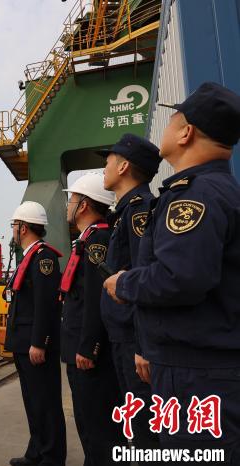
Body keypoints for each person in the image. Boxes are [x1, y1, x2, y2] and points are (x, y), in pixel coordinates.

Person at [104, 82, 240, 456]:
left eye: (171, 119)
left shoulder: (195, 195)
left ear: (185, 132)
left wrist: (125, 283)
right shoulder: (213, 189)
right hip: (197, 368)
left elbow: (181, 278)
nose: (164, 128)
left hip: (196, 375)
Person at [98, 133, 161, 453]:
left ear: (123, 167)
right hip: (123, 337)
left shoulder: (138, 213)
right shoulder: (125, 212)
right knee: (137, 429)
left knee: (147, 431)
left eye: (107, 162)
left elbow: (144, 282)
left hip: (133, 341)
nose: (103, 169)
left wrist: (142, 345)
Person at [61, 172, 122, 465]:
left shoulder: (98, 240)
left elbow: (96, 298)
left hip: (87, 351)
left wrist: (89, 347)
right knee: (88, 423)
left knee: (99, 428)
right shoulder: (87, 240)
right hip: (78, 346)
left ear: (83, 205)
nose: (68, 205)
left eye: (72, 199)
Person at [5, 201, 66, 466]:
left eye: (14, 226)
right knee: (33, 402)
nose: (13, 231)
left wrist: (40, 342)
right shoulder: (30, 256)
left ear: (24, 227)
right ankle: (36, 452)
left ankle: (51, 457)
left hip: (35, 344)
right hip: (23, 342)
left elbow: (45, 304)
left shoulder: (43, 258)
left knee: (46, 402)